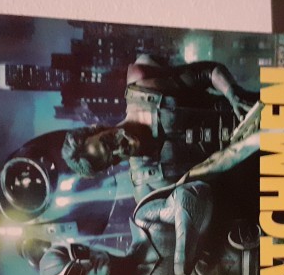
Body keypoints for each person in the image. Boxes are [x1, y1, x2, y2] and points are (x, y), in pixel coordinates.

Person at [38, 180, 260, 275]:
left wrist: (182, 267)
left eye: (79, 252)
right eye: (76, 273)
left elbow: (191, 198)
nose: (88, 263)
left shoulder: (144, 221)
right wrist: (202, 258)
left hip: (258, 230)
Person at [61, 55, 257, 200]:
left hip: (255, 109)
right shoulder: (149, 182)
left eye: (108, 142)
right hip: (257, 168)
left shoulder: (144, 88)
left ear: (98, 128)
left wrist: (232, 93)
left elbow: (207, 72)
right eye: (113, 158)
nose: (119, 149)